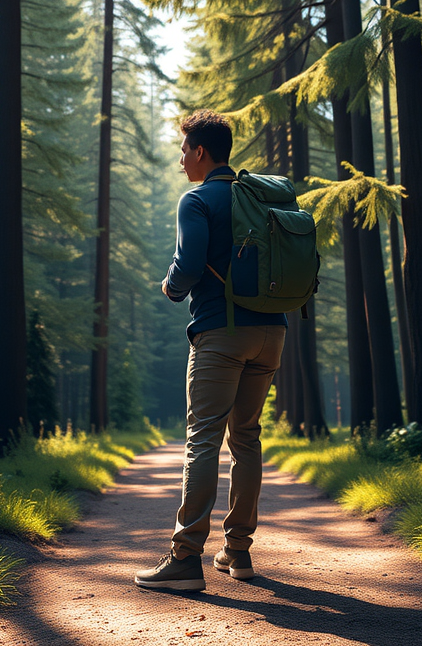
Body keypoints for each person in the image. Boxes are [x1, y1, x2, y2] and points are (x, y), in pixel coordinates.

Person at [134, 110, 286, 592]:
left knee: (203, 439)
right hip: (272, 333)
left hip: (221, 333)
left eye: (183, 151)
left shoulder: (197, 199)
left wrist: (170, 286)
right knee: (246, 438)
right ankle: (237, 551)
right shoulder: (258, 197)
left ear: (200, 151)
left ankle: (185, 559)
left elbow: (188, 264)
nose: (181, 160)